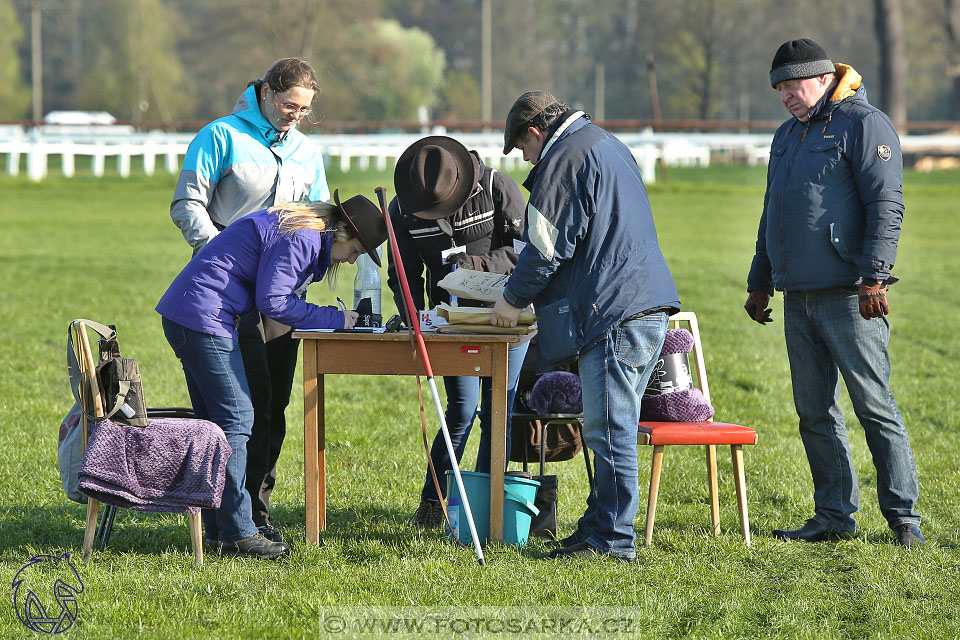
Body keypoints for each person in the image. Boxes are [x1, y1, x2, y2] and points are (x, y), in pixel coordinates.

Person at [745, 39, 923, 547]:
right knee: (814, 413)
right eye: (778, 88)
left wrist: (875, 276)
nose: (784, 96)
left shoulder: (865, 125)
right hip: (797, 297)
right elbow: (771, 212)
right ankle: (833, 515)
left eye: (792, 85)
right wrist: (760, 281)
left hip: (851, 294)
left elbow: (886, 204)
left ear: (823, 79)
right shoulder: (786, 135)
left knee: (874, 406)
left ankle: (903, 519)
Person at [491, 92, 680, 561]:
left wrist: (511, 299)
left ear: (535, 134)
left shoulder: (564, 158)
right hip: (641, 301)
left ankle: (613, 539)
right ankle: (597, 526)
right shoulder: (605, 144)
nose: (527, 159)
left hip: (613, 310)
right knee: (609, 425)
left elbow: (545, 246)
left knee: (608, 431)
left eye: (524, 150)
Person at [157, 191, 388, 558]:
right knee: (236, 419)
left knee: (215, 426)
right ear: (342, 231)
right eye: (356, 251)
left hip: (194, 313)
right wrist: (336, 318)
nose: (350, 261)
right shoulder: (302, 237)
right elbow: (275, 302)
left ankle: (219, 529)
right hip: (204, 317)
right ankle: (237, 532)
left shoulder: (302, 230)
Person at [169, 58, 329, 544]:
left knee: (273, 406)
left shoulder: (306, 150)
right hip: (228, 296)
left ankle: (254, 508)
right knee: (240, 407)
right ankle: (226, 515)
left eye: (304, 110)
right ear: (264, 93)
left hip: (280, 300)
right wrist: (222, 253)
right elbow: (187, 203)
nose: (294, 116)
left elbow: (319, 216)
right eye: (288, 105)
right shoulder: (219, 136)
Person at [385, 135, 530, 528]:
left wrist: (479, 263)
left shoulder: (499, 187)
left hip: (508, 316)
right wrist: (414, 316)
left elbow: (529, 250)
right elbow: (404, 274)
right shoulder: (403, 208)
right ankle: (434, 502)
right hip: (450, 322)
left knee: (497, 412)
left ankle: (485, 504)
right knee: (462, 411)